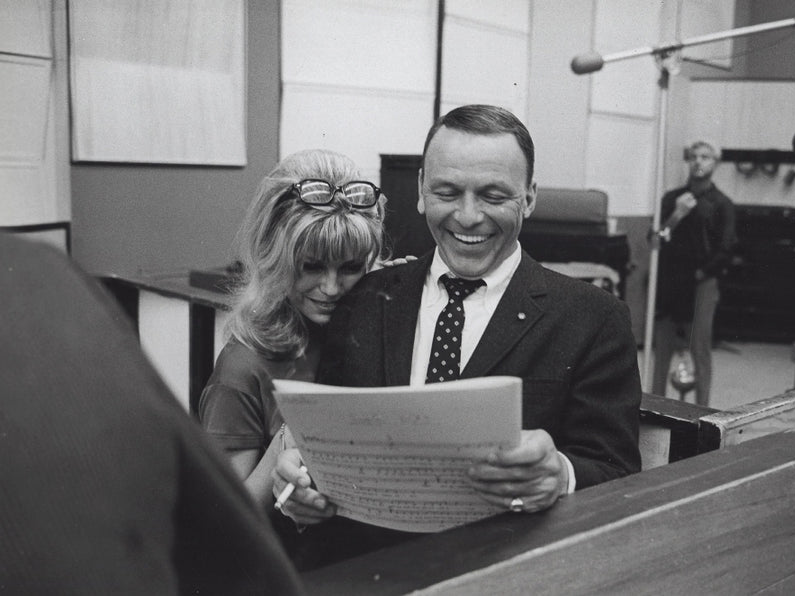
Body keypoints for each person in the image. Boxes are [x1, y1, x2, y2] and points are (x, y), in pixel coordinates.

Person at [273, 104, 643, 567]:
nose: (468, 217)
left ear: (528, 198)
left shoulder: (593, 318)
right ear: (422, 192)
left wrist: (561, 476)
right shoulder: (364, 299)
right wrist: (297, 489)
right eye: (448, 192)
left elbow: (618, 474)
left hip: (507, 573)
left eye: (493, 195)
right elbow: (320, 450)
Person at [0, 233, 303, 595]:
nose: (332, 286)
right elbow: (220, 523)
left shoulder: (38, 272)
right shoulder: (40, 272)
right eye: (312, 266)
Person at [198, 149, 386, 513]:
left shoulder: (370, 327)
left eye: (349, 268)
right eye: (311, 267)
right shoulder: (242, 367)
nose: (331, 288)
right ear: (274, 260)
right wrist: (295, 432)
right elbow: (227, 521)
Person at [651, 140, 736, 407]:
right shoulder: (671, 199)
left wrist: (701, 274)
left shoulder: (723, 204)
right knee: (662, 348)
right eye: (694, 157)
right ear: (688, 161)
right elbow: (656, 240)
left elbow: (726, 249)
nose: (699, 161)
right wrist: (677, 214)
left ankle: (702, 410)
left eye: (705, 157)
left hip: (702, 283)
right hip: (670, 280)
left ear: (715, 163)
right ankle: (654, 404)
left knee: (699, 347)